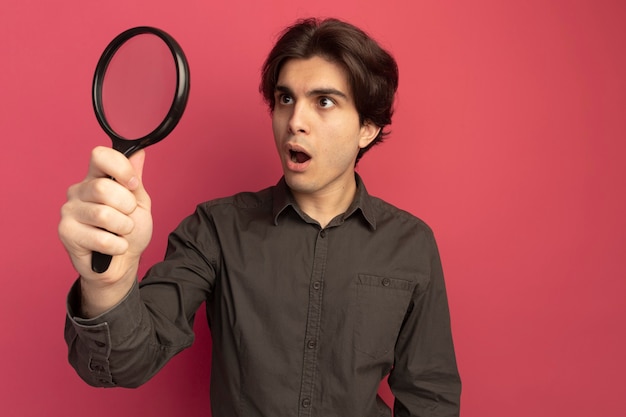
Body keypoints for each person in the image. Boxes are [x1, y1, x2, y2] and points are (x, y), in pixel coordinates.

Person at [60, 17, 461, 416]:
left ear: (367, 129)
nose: (295, 122)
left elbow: (430, 397)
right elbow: (123, 364)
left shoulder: (411, 245)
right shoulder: (215, 229)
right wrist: (108, 283)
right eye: (286, 99)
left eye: (324, 102)